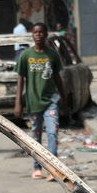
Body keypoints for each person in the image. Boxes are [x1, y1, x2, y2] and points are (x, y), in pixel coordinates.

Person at [14, 22, 64, 179]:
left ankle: (53, 169)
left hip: (51, 101)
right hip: (33, 102)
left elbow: (57, 78)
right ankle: (37, 167)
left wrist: (65, 100)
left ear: (46, 34)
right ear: (32, 35)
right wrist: (18, 102)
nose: (38, 35)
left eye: (41, 32)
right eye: (35, 33)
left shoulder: (52, 55)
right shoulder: (26, 56)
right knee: (36, 136)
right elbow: (20, 80)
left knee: (52, 133)